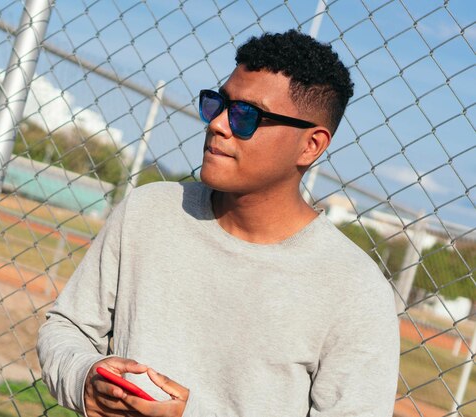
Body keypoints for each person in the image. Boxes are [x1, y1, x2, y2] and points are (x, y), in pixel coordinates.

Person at [37, 29, 400, 417]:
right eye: (219, 104)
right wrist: (84, 379)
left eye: (247, 116)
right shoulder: (148, 211)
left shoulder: (355, 291)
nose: (218, 124)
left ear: (310, 145)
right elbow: (66, 326)